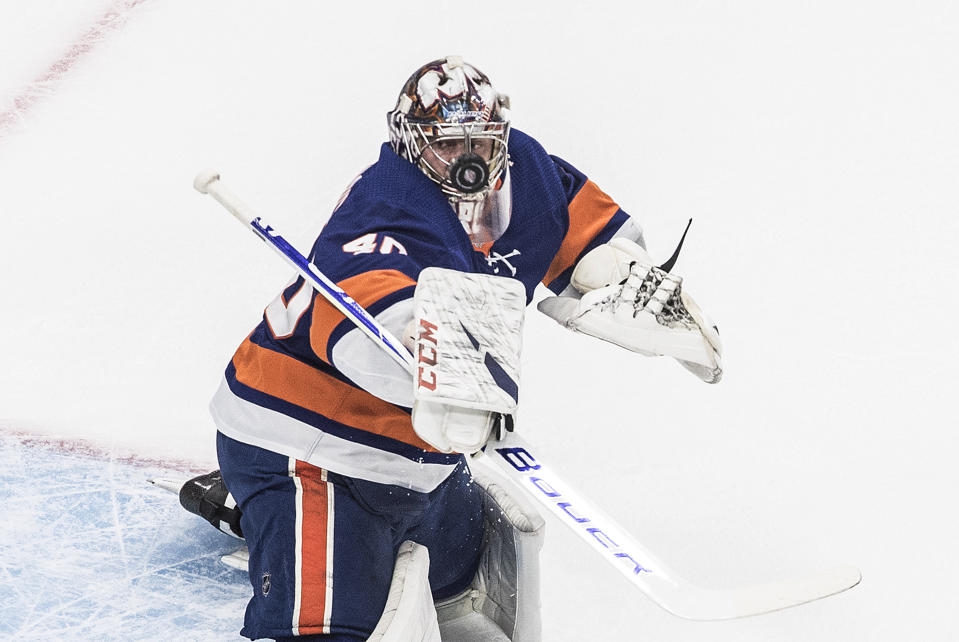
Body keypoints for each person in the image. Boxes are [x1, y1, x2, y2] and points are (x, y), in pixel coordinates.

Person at [189, 56, 723, 641]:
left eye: (481, 139)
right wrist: (449, 376)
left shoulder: (528, 171)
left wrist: (629, 285)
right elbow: (360, 329)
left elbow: (591, 237)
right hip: (310, 445)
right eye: (448, 143)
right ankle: (265, 502)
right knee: (333, 628)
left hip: (420, 456)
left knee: (467, 593)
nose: (469, 158)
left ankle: (260, 515)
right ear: (412, 142)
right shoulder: (387, 203)